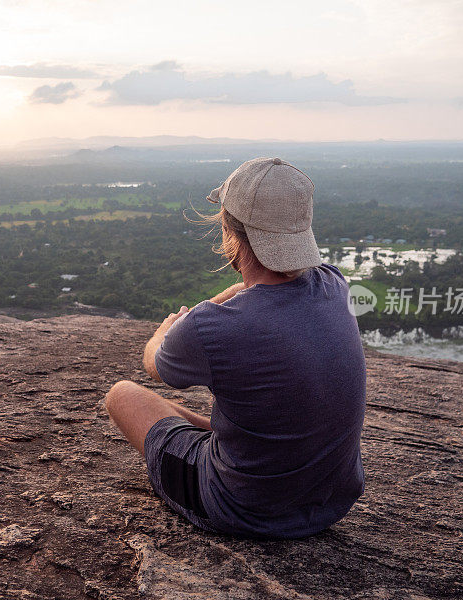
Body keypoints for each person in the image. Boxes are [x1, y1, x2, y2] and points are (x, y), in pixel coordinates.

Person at [104, 157, 366, 539]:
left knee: (123, 395)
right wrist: (208, 310)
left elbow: (155, 366)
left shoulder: (211, 327)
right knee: (201, 415)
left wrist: (167, 328)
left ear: (230, 232)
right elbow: (259, 293)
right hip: (330, 504)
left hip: (240, 508)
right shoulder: (334, 284)